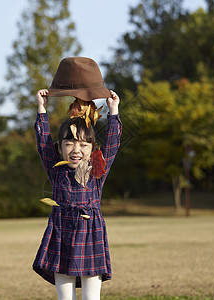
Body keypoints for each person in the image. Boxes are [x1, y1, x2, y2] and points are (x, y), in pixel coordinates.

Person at [33, 87, 121, 300]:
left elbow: (113, 143)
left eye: (83, 144)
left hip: (91, 234)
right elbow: (43, 143)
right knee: (66, 298)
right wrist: (41, 109)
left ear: (92, 148)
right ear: (60, 147)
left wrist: (114, 112)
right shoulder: (56, 170)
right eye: (69, 143)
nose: (76, 150)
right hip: (61, 232)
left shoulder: (97, 170)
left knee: (91, 298)